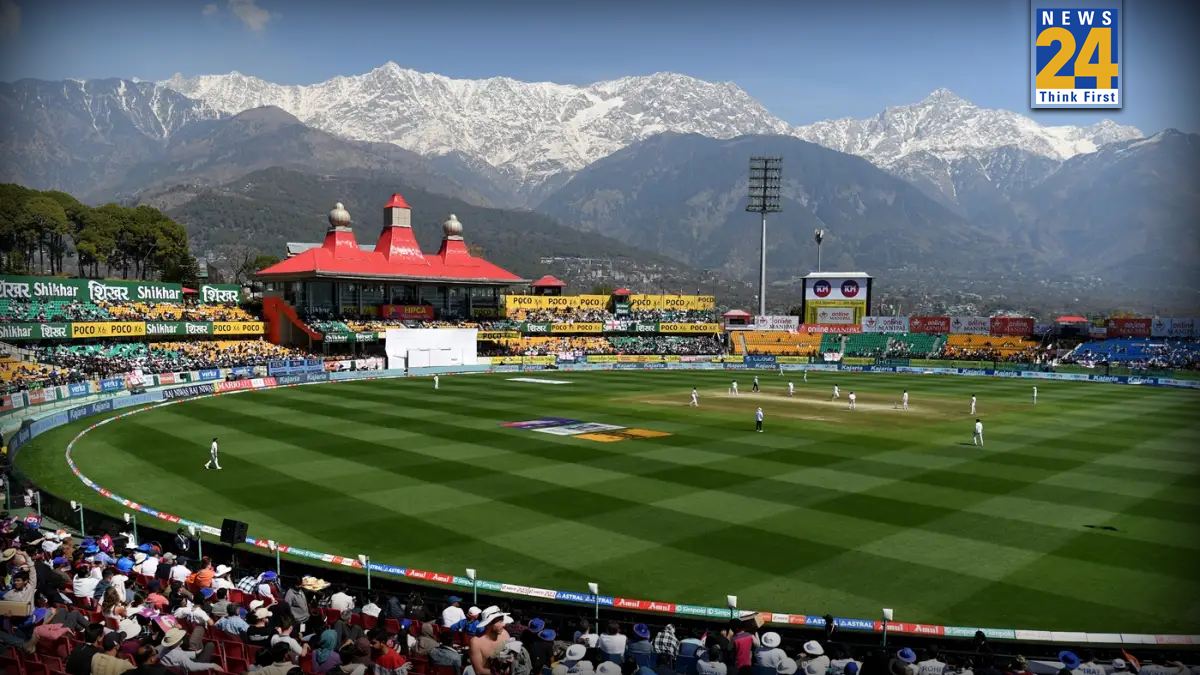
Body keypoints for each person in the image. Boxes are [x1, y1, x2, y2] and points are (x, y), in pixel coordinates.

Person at [467, 606, 512, 675]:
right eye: (500, 622)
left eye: (502, 621)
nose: (504, 624)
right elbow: (479, 671)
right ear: (489, 624)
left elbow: (510, 657)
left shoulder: (505, 634)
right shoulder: (476, 642)